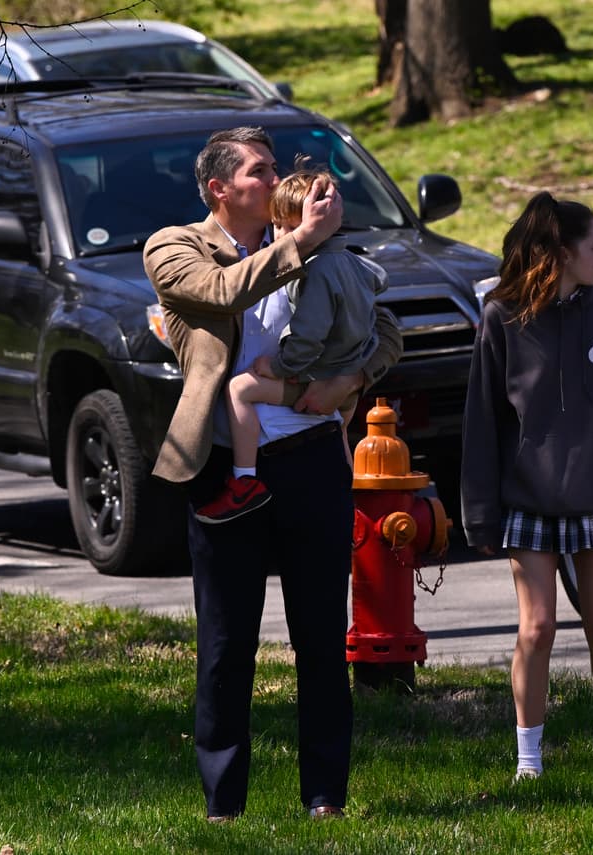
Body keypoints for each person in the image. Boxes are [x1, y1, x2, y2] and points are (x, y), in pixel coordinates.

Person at [143, 126, 402, 822]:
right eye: (257, 170)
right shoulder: (176, 246)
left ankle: (325, 798)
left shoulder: (317, 248)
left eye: (273, 167)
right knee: (227, 643)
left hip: (313, 460)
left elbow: (387, 328)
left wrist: (349, 378)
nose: (273, 178)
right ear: (219, 188)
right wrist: (302, 243)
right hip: (228, 471)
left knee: (321, 636)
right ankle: (223, 803)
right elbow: (223, 291)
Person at [461, 191, 593, 781]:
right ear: (561, 252)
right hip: (529, 502)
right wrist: (480, 514)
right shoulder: (501, 315)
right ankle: (529, 760)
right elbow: (482, 421)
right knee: (536, 628)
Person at [193, 163, 387, 524]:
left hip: (317, 375)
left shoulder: (316, 270)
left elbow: (308, 337)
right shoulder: (353, 263)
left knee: (239, 389)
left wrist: (279, 366)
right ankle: (351, 496)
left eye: (281, 226)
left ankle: (244, 479)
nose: (277, 233)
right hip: (341, 374)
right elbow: (378, 285)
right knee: (341, 435)